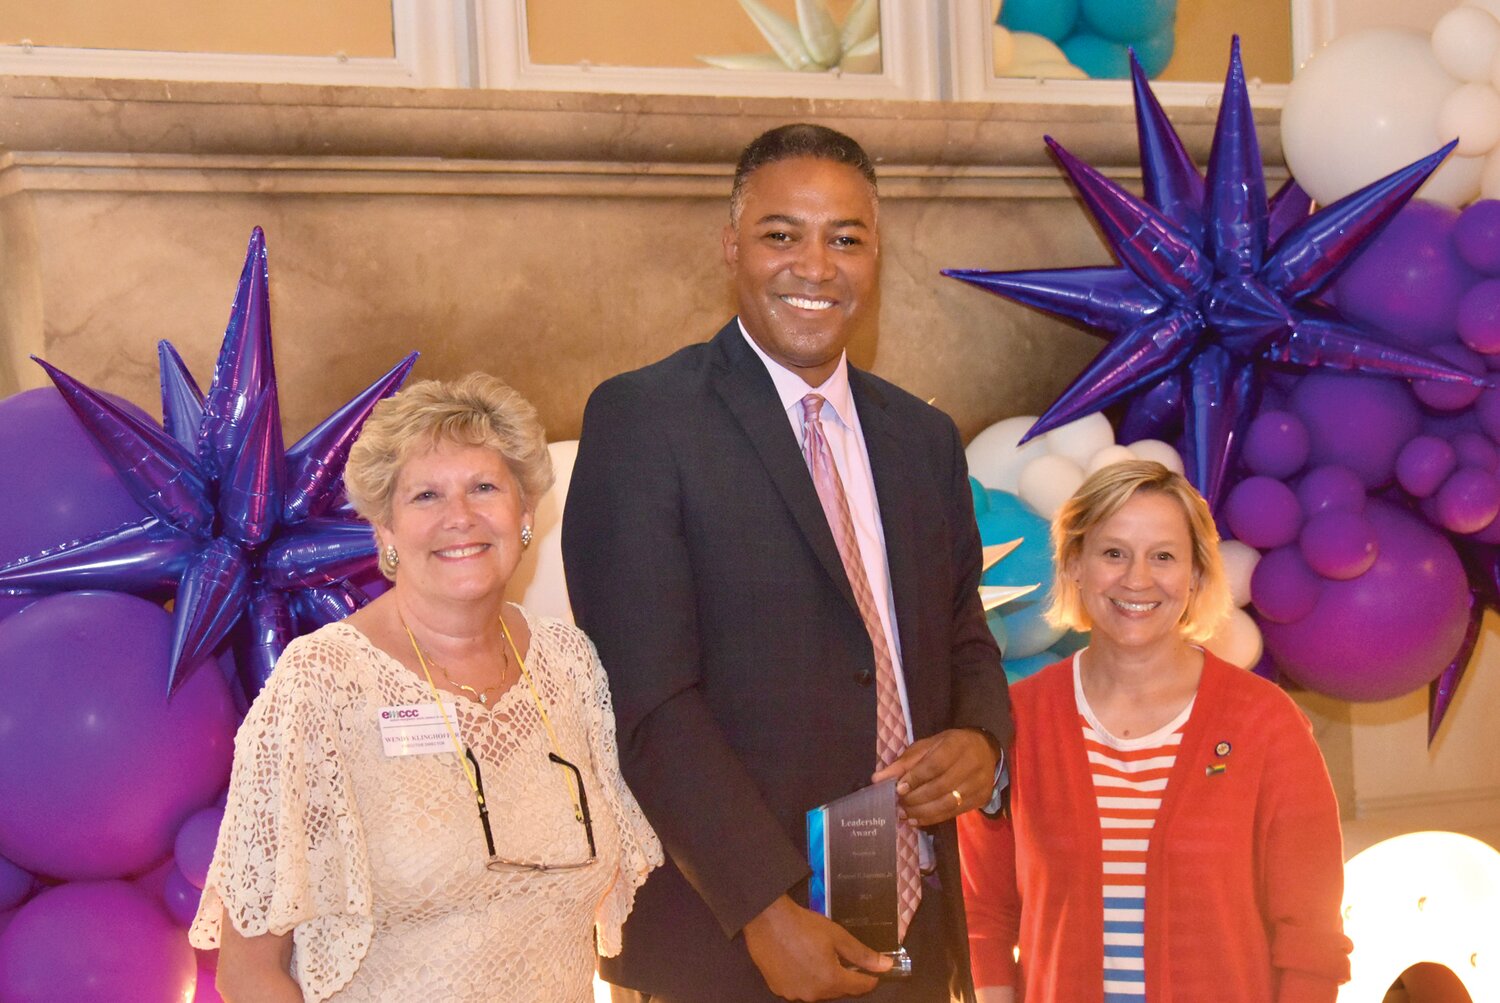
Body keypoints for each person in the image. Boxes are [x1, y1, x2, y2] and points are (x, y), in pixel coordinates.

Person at [563, 123, 1012, 1003]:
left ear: (876, 254)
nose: (816, 266)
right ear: (732, 247)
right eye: (782, 234)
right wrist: (763, 910)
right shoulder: (644, 421)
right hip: (729, 936)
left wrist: (983, 738)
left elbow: (966, 634)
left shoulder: (923, 439)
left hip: (908, 926)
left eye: (846, 238)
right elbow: (644, 700)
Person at [189, 373, 661, 1003]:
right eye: (426, 496)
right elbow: (251, 969)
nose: (459, 517)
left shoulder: (571, 664)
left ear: (524, 515)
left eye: (484, 487)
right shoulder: (322, 684)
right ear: (384, 531)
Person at [958, 460, 1352, 1003]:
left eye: (1163, 556)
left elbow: (1311, 940)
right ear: (1073, 564)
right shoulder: (1015, 722)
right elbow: (983, 915)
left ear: (1194, 574)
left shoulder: (1266, 723)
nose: (1136, 579)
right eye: (1113, 553)